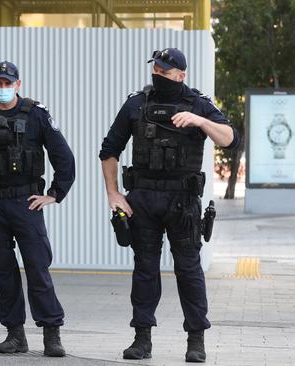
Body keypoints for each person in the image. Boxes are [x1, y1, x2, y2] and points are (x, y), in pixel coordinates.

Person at [99, 48, 239, 363]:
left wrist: (200, 121)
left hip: (183, 202)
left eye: (165, 70)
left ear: (181, 75)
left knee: (189, 270)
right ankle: (142, 339)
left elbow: (231, 139)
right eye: (156, 70)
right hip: (143, 200)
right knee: (145, 270)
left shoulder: (198, 104)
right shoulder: (136, 103)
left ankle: (196, 340)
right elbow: (109, 150)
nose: (158, 75)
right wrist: (113, 193)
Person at [0, 61, 75, 357]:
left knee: (37, 268)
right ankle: (15, 335)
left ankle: (51, 334)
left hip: (26, 204)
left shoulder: (35, 114)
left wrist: (55, 194)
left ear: (18, 85)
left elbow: (64, 157)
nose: (4, 88)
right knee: (4, 272)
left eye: (9, 83)